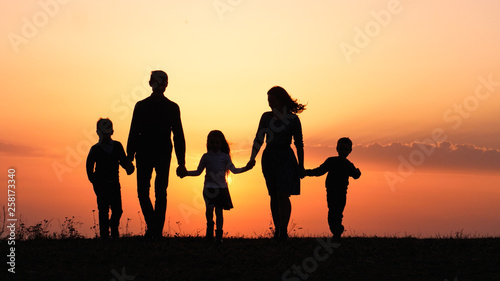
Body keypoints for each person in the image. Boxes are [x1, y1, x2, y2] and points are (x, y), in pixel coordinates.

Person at [127, 70, 186, 239]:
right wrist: (129, 156)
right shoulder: (141, 106)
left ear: (166, 85)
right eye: (157, 82)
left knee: (161, 191)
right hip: (144, 152)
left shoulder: (172, 107)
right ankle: (154, 228)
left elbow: (179, 135)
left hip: (162, 153)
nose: (160, 85)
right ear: (150, 83)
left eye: (163, 82)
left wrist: (181, 162)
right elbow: (134, 131)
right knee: (143, 192)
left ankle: (155, 231)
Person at [248, 86, 306, 241]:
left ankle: (284, 229)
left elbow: (299, 144)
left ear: (280, 100)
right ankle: (278, 229)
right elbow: (258, 139)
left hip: (286, 157)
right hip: (270, 157)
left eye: (271, 100)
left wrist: (301, 166)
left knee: (283, 194)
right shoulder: (266, 117)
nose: (269, 103)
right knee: (273, 194)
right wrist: (252, 158)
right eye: (268, 100)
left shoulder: (293, 119)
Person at [178, 130, 254, 243]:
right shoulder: (206, 157)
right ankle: (210, 229)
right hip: (208, 188)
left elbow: (234, 170)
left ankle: (219, 235)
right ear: (208, 143)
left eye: (217, 142)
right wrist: (186, 173)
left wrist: (246, 168)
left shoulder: (225, 157)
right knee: (209, 209)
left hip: (221, 188)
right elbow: (198, 172)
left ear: (221, 143)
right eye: (212, 142)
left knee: (219, 212)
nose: (214, 145)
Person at [305, 137, 361, 244]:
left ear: (350, 151)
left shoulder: (348, 165)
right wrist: (306, 172)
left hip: (341, 192)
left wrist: (358, 172)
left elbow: (356, 175)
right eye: (341, 149)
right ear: (337, 148)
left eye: (345, 149)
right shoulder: (331, 161)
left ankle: (337, 233)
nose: (343, 151)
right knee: (332, 213)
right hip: (331, 191)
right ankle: (337, 231)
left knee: (337, 213)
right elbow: (319, 171)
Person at [86, 118, 135, 239]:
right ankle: (105, 236)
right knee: (103, 210)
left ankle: (113, 230)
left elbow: (123, 161)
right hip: (101, 184)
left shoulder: (117, 146)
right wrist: (94, 181)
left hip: (114, 183)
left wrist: (129, 168)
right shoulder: (95, 149)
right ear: (99, 132)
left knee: (117, 210)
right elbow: (89, 167)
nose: (106, 135)